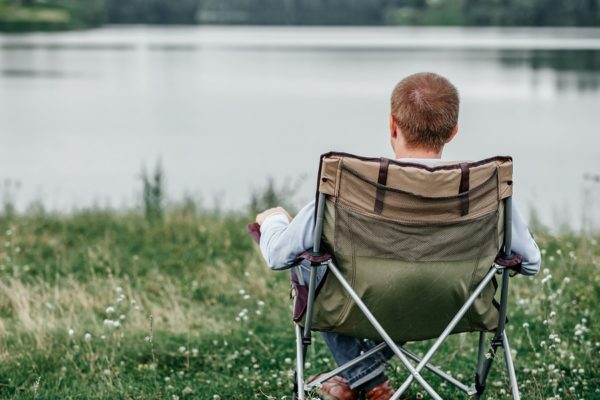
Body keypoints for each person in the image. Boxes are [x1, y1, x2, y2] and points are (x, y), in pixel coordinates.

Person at [255, 72, 541, 400]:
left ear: (393, 124)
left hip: (361, 304)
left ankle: (363, 376)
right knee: (411, 278)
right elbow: (531, 263)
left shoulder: (348, 185)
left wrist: (274, 219)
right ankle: (366, 377)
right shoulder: (487, 189)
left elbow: (279, 256)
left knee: (312, 265)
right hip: (456, 308)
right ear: (453, 131)